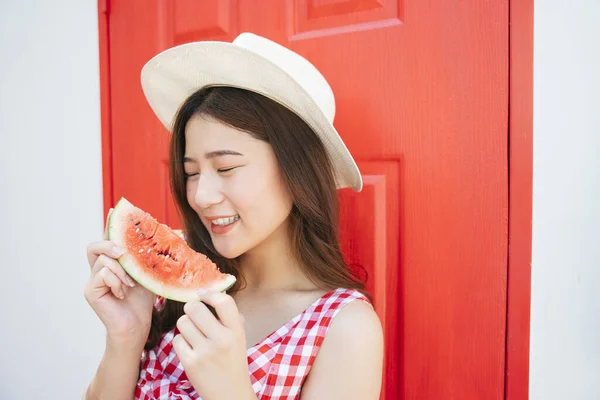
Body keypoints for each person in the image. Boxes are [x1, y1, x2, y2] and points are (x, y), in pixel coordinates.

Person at [83, 32, 383, 399]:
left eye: (225, 168)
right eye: (191, 172)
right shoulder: (162, 298)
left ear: (296, 172)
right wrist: (126, 335)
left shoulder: (344, 328)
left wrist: (230, 391)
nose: (201, 196)